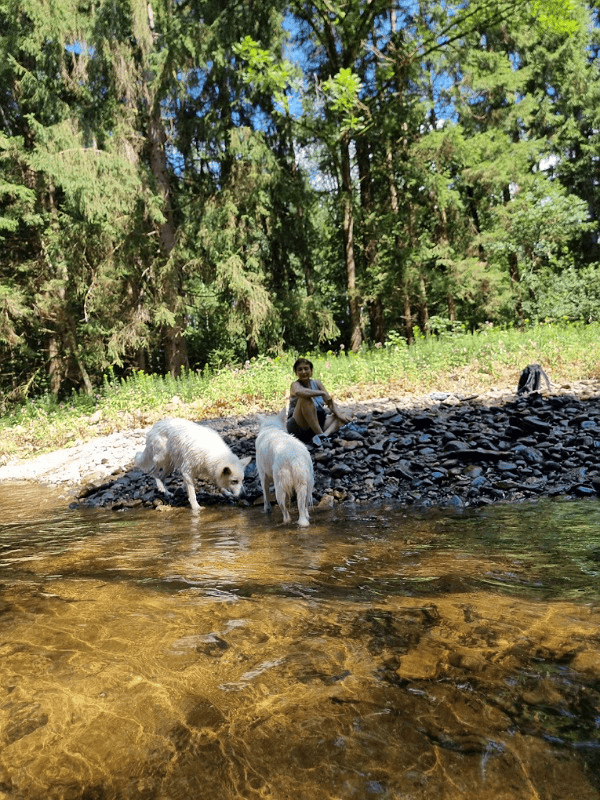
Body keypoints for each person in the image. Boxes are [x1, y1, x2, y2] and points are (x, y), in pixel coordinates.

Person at [286, 358, 349, 445]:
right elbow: (299, 392)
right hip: (299, 426)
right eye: (300, 370)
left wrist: (339, 415)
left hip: (317, 424)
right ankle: (320, 435)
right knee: (305, 398)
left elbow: (329, 402)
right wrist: (321, 393)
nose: (304, 372)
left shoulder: (317, 383)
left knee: (347, 413)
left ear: (311, 370)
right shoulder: (295, 385)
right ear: (296, 373)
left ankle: (324, 436)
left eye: (306, 369)